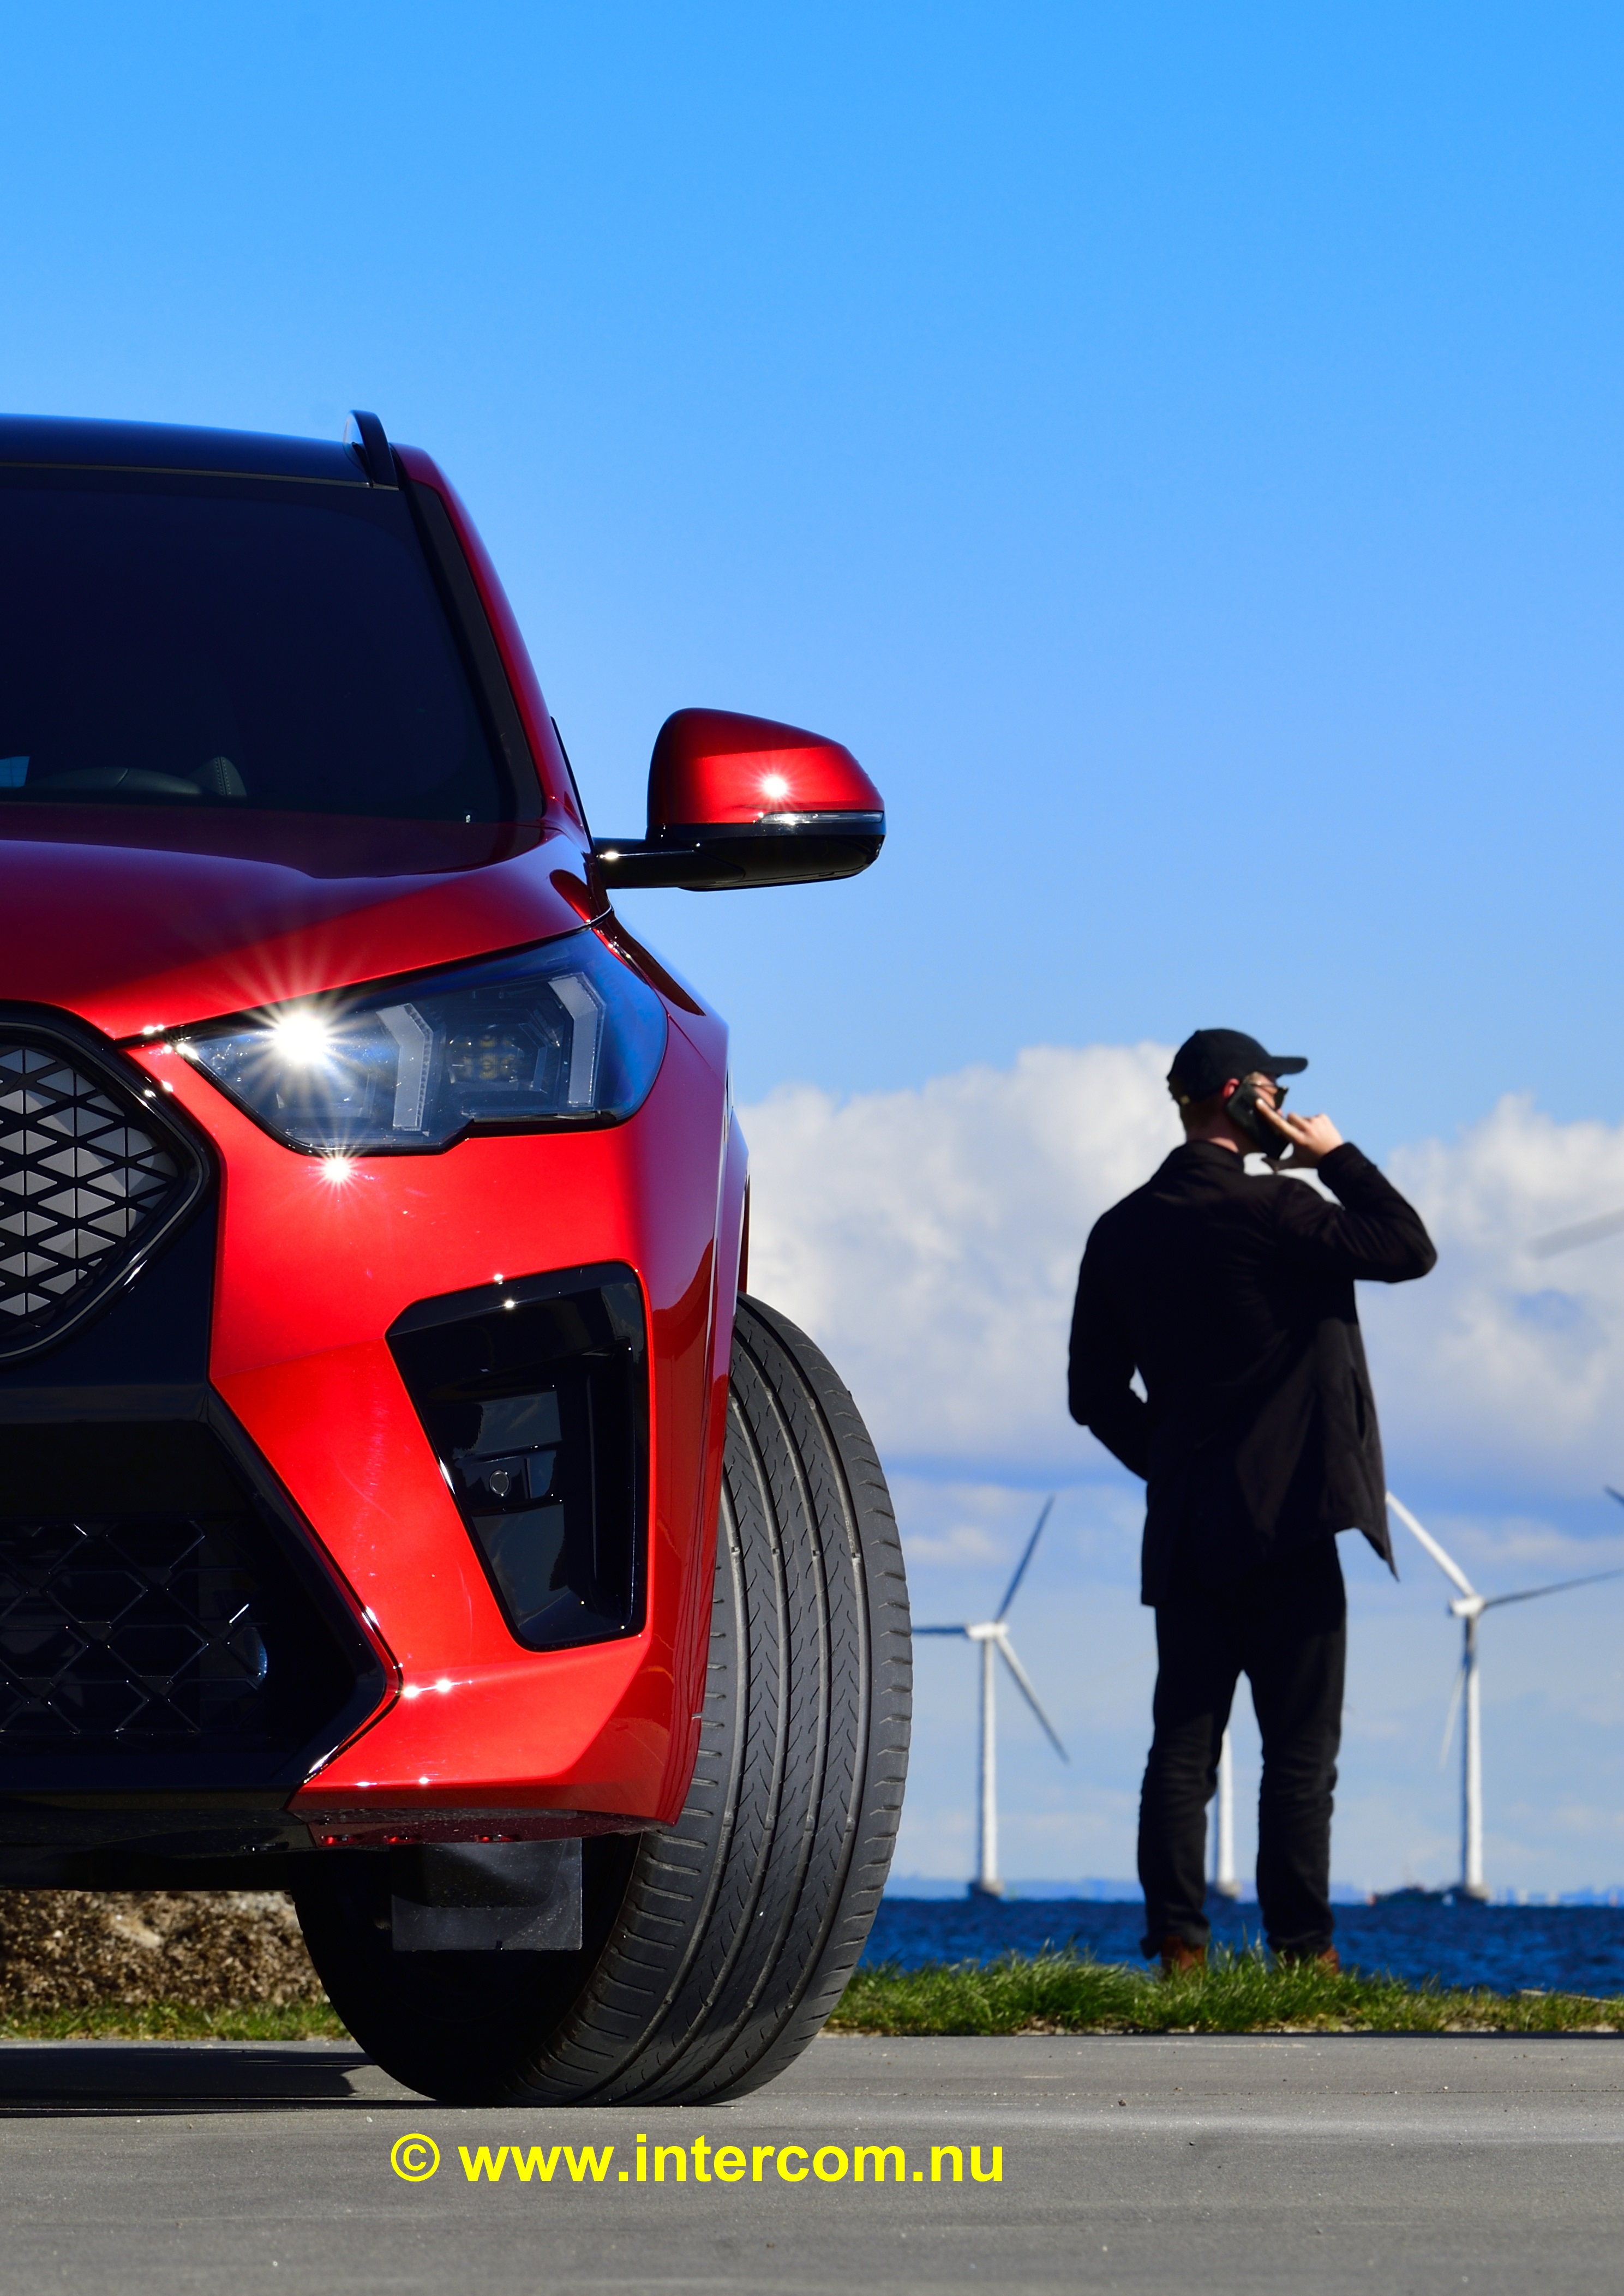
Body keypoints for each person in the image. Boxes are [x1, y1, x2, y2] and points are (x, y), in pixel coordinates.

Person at [1067, 1028, 1436, 1972]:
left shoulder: (1119, 1229)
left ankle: (1178, 1948)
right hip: (1291, 1522)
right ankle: (1303, 1951)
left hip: (1188, 1528)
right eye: (1274, 1092)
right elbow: (1408, 1248)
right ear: (1240, 1097)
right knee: (1298, 1756)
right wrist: (1335, 1155)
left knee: (1182, 1749)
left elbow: (1092, 1394)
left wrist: (1172, 1466)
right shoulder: (1279, 1208)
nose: (1286, 1108)